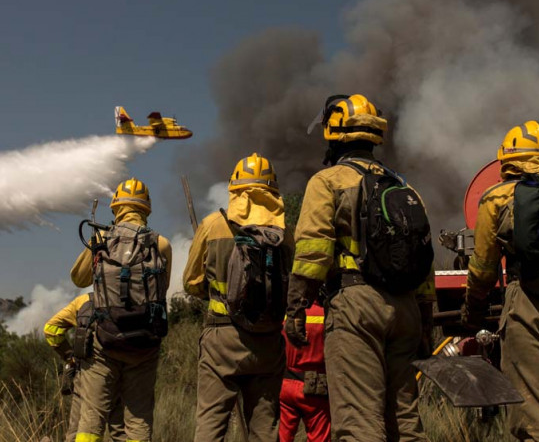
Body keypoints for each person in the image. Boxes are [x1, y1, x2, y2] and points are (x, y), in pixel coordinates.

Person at [285, 94, 434, 442]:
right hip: (406, 309)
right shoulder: (405, 187)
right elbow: (424, 259)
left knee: (359, 421)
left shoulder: (328, 181)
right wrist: (425, 320)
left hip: (357, 305)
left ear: (332, 134)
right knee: (405, 420)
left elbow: (313, 250)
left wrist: (296, 307)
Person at [462, 120, 539, 441]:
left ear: (506, 158)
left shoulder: (498, 197)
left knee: (535, 415)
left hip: (529, 310)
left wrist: (473, 307)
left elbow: (484, 267)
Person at [183, 152, 294, 442]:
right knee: (265, 427)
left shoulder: (212, 225)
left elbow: (191, 282)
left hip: (222, 337)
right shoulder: (283, 234)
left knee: (211, 422)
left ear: (233, 187)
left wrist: (215, 293)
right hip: (268, 342)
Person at [71, 178, 172, 442]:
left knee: (91, 417)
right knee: (138, 419)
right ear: (146, 208)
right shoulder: (161, 244)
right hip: (144, 344)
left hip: (105, 341)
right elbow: (163, 288)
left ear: (116, 207)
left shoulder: (102, 238)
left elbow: (78, 279)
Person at [43, 293, 126, 442]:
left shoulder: (84, 301)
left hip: (88, 375)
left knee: (80, 431)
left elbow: (51, 330)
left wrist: (70, 357)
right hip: (127, 373)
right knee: (122, 433)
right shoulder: (135, 299)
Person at [279, 300, 331, 442]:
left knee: (282, 436)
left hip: (286, 384)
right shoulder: (326, 314)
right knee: (319, 437)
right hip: (314, 387)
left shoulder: (287, 313)